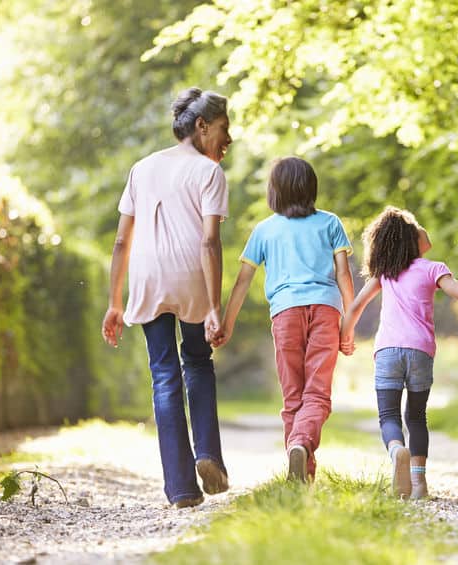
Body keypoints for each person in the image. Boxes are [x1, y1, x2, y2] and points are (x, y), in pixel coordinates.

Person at [339, 207, 458, 499]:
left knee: (389, 415)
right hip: (420, 351)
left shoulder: (385, 274)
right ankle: (419, 483)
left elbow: (355, 307)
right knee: (417, 417)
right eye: (416, 226)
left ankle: (396, 451)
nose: (422, 229)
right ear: (410, 238)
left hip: (388, 351)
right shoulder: (433, 269)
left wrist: (346, 336)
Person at [101, 87, 233, 509]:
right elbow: (209, 242)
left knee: (163, 374)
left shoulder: (141, 168)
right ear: (202, 126)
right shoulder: (208, 173)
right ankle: (208, 454)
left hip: (147, 277)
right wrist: (214, 306)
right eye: (224, 129)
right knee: (197, 361)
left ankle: (180, 488)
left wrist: (115, 302)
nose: (228, 140)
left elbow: (121, 242)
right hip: (190, 275)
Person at [212, 156, 355, 482]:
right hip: (326, 310)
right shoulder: (330, 223)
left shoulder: (264, 229)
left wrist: (227, 324)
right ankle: (301, 449)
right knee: (317, 394)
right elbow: (344, 276)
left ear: (274, 191)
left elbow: (243, 281)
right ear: (311, 188)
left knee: (293, 397)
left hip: (285, 313)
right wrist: (349, 325)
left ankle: (300, 472)